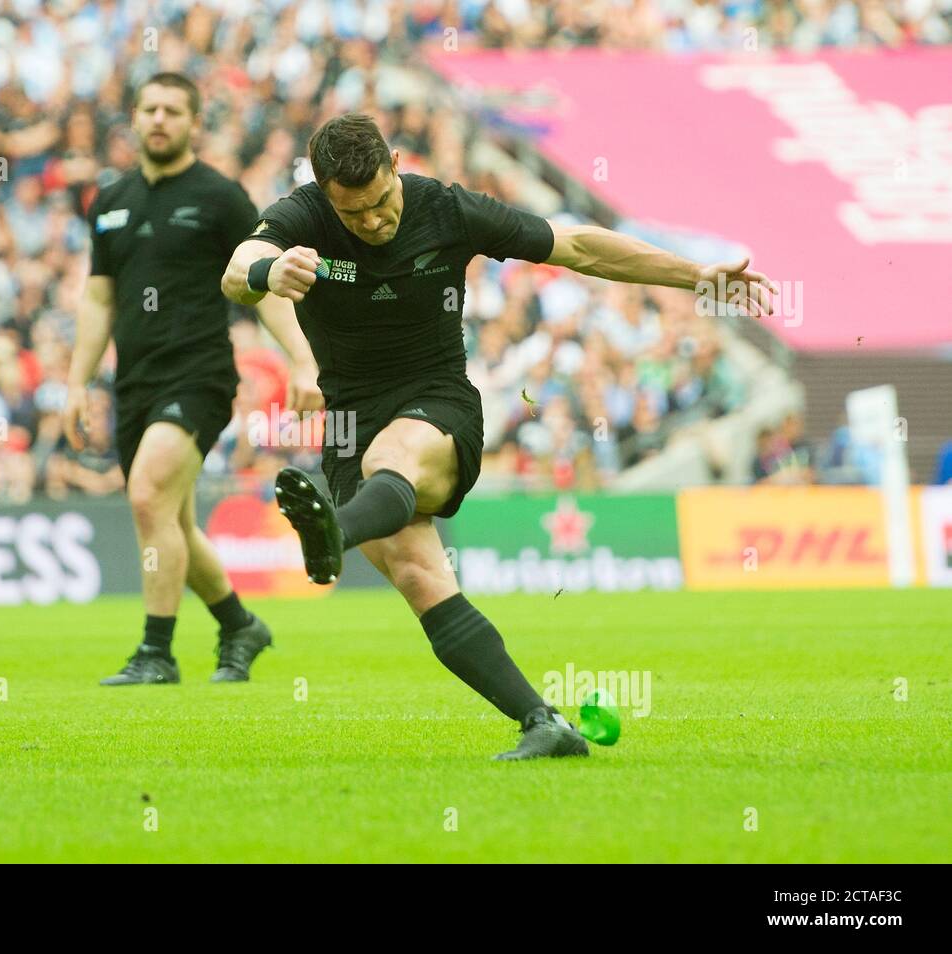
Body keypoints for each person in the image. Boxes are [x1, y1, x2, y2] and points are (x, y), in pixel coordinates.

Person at [221, 113, 773, 759]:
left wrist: (695, 276)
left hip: (436, 401)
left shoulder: (448, 210)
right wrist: (269, 274)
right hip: (349, 418)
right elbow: (238, 266)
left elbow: (581, 247)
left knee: (392, 458)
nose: (373, 221)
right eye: (354, 214)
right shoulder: (303, 216)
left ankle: (335, 532)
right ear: (322, 194)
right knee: (420, 575)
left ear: (397, 163)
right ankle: (544, 722)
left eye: (380, 202)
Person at [63, 73, 323, 685]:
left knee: (149, 496)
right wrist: (75, 383)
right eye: (149, 107)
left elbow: (262, 284)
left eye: (173, 110)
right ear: (133, 116)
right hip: (134, 383)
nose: (159, 119)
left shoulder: (220, 197)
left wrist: (302, 360)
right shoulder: (109, 203)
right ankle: (239, 624)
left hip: (199, 374)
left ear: (194, 123)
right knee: (171, 521)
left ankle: (157, 652)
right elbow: (98, 300)